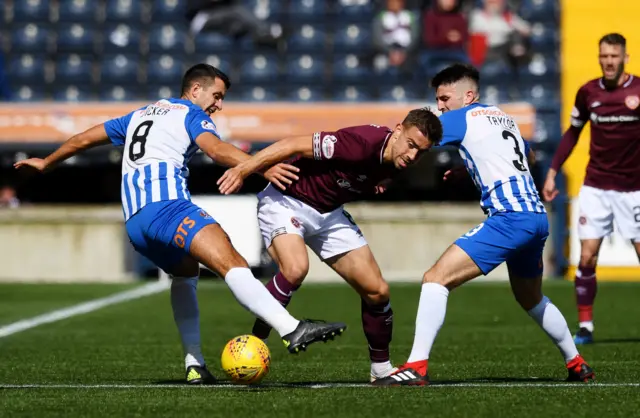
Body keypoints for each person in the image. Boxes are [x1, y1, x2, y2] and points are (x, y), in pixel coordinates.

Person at [14, 64, 347, 385]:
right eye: (216, 96)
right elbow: (215, 149)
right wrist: (259, 167)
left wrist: (46, 162)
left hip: (135, 224)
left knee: (186, 274)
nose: (218, 105)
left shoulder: (139, 115)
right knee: (232, 261)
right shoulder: (190, 114)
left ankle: (194, 364)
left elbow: (84, 139)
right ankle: (291, 329)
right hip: (168, 208)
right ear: (195, 89)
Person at [370, 63, 594, 386]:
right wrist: (472, 167)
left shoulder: (463, 118)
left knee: (435, 278)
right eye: (438, 100)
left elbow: (419, 139)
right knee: (530, 297)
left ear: (469, 95)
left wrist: (384, 175)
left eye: (445, 98)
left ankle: (416, 366)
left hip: (509, 219)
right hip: (536, 217)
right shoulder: (503, 117)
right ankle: (576, 362)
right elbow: (527, 158)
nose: (440, 107)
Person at [217, 108, 443, 381]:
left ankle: (381, 371)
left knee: (378, 291)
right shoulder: (361, 143)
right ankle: (252, 344)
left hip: (329, 213)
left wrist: (381, 180)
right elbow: (292, 144)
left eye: (421, 152)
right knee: (295, 268)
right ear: (398, 130)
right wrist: (244, 169)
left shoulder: (397, 163)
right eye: (411, 145)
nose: (413, 155)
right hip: (287, 201)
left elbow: (373, 175)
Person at [543, 33, 640, 345]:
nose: (609, 61)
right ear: (599, 57)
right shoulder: (588, 92)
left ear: (625, 58)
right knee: (586, 258)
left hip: (634, 189)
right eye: (604, 56)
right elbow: (572, 133)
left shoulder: (638, 90)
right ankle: (585, 327)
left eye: (614, 56)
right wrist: (552, 172)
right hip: (596, 186)